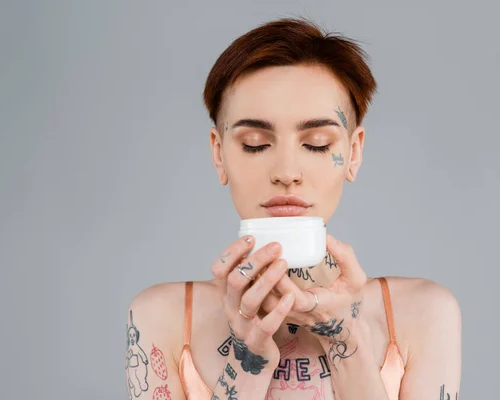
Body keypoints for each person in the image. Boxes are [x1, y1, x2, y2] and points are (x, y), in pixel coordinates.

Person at [124, 16, 461, 400]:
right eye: (254, 143)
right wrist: (248, 359)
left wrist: (344, 340)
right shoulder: (162, 317)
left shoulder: (424, 314)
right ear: (219, 155)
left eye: (317, 143)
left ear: (353, 153)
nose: (286, 173)